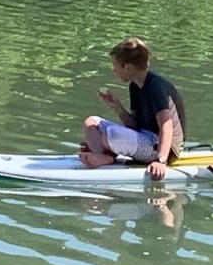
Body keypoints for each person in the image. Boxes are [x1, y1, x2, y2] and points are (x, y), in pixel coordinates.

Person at [79, 38, 186, 181]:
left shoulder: (156, 86)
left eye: (115, 65)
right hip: (144, 137)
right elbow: (134, 126)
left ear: (128, 67)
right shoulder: (135, 86)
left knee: (111, 135)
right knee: (91, 123)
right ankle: (103, 155)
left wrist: (161, 161)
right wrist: (117, 107)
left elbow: (166, 125)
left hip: (164, 148)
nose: (113, 70)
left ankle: (105, 156)